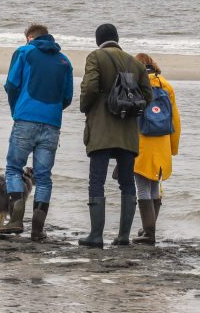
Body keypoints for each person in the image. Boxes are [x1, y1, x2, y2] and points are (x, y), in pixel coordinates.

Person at [77, 23, 152, 248]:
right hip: (128, 132)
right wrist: (128, 108)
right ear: (117, 39)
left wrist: (85, 106)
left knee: (97, 181)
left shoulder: (96, 57)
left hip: (101, 129)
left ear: (98, 40)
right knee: (127, 182)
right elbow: (147, 96)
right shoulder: (135, 63)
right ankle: (123, 237)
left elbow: (90, 87)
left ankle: (96, 235)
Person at [0, 23, 74, 241]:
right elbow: (67, 97)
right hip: (52, 124)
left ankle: (16, 220)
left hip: (25, 118)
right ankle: (38, 229)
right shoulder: (65, 61)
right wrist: (51, 111)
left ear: (29, 37)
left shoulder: (24, 52)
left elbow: (11, 84)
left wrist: (17, 109)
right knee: (44, 177)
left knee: (13, 168)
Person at [130, 53, 181, 246]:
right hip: (162, 144)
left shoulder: (135, 86)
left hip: (142, 142)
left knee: (142, 186)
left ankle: (149, 233)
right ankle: (148, 229)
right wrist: (173, 148)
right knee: (154, 186)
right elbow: (175, 120)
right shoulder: (166, 85)